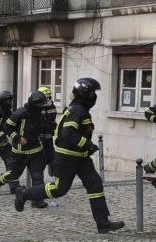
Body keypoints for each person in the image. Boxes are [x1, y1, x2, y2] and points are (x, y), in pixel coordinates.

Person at [15, 78, 125, 232]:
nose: (94, 96)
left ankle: (103, 223)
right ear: (85, 93)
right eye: (92, 93)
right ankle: (24, 194)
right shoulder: (78, 110)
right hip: (67, 157)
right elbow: (67, 133)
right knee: (59, 189)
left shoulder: (79, 108)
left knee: (95, 184)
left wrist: (86, 148)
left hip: (81, 157)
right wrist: (87, 144)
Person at [0, 90, 49, 208]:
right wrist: (17, 138)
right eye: (41, 105)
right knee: (13, 174)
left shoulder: (40, 113)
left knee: (38, 176)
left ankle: (37, 201)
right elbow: (7, 127)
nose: (42, 107)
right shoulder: (19, 113)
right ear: (34, 104)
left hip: (35, 150)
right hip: (20, 151)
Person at [37, 86, 58, 175]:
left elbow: (53, 120)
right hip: (39, 138)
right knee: (41, 158)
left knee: (52, 156)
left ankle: (53, 171)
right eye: (46, 97)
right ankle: (37, 177)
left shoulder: (52, 107)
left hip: (49, 137)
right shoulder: (36, 108)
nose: (48, 98)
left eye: (49, 96)